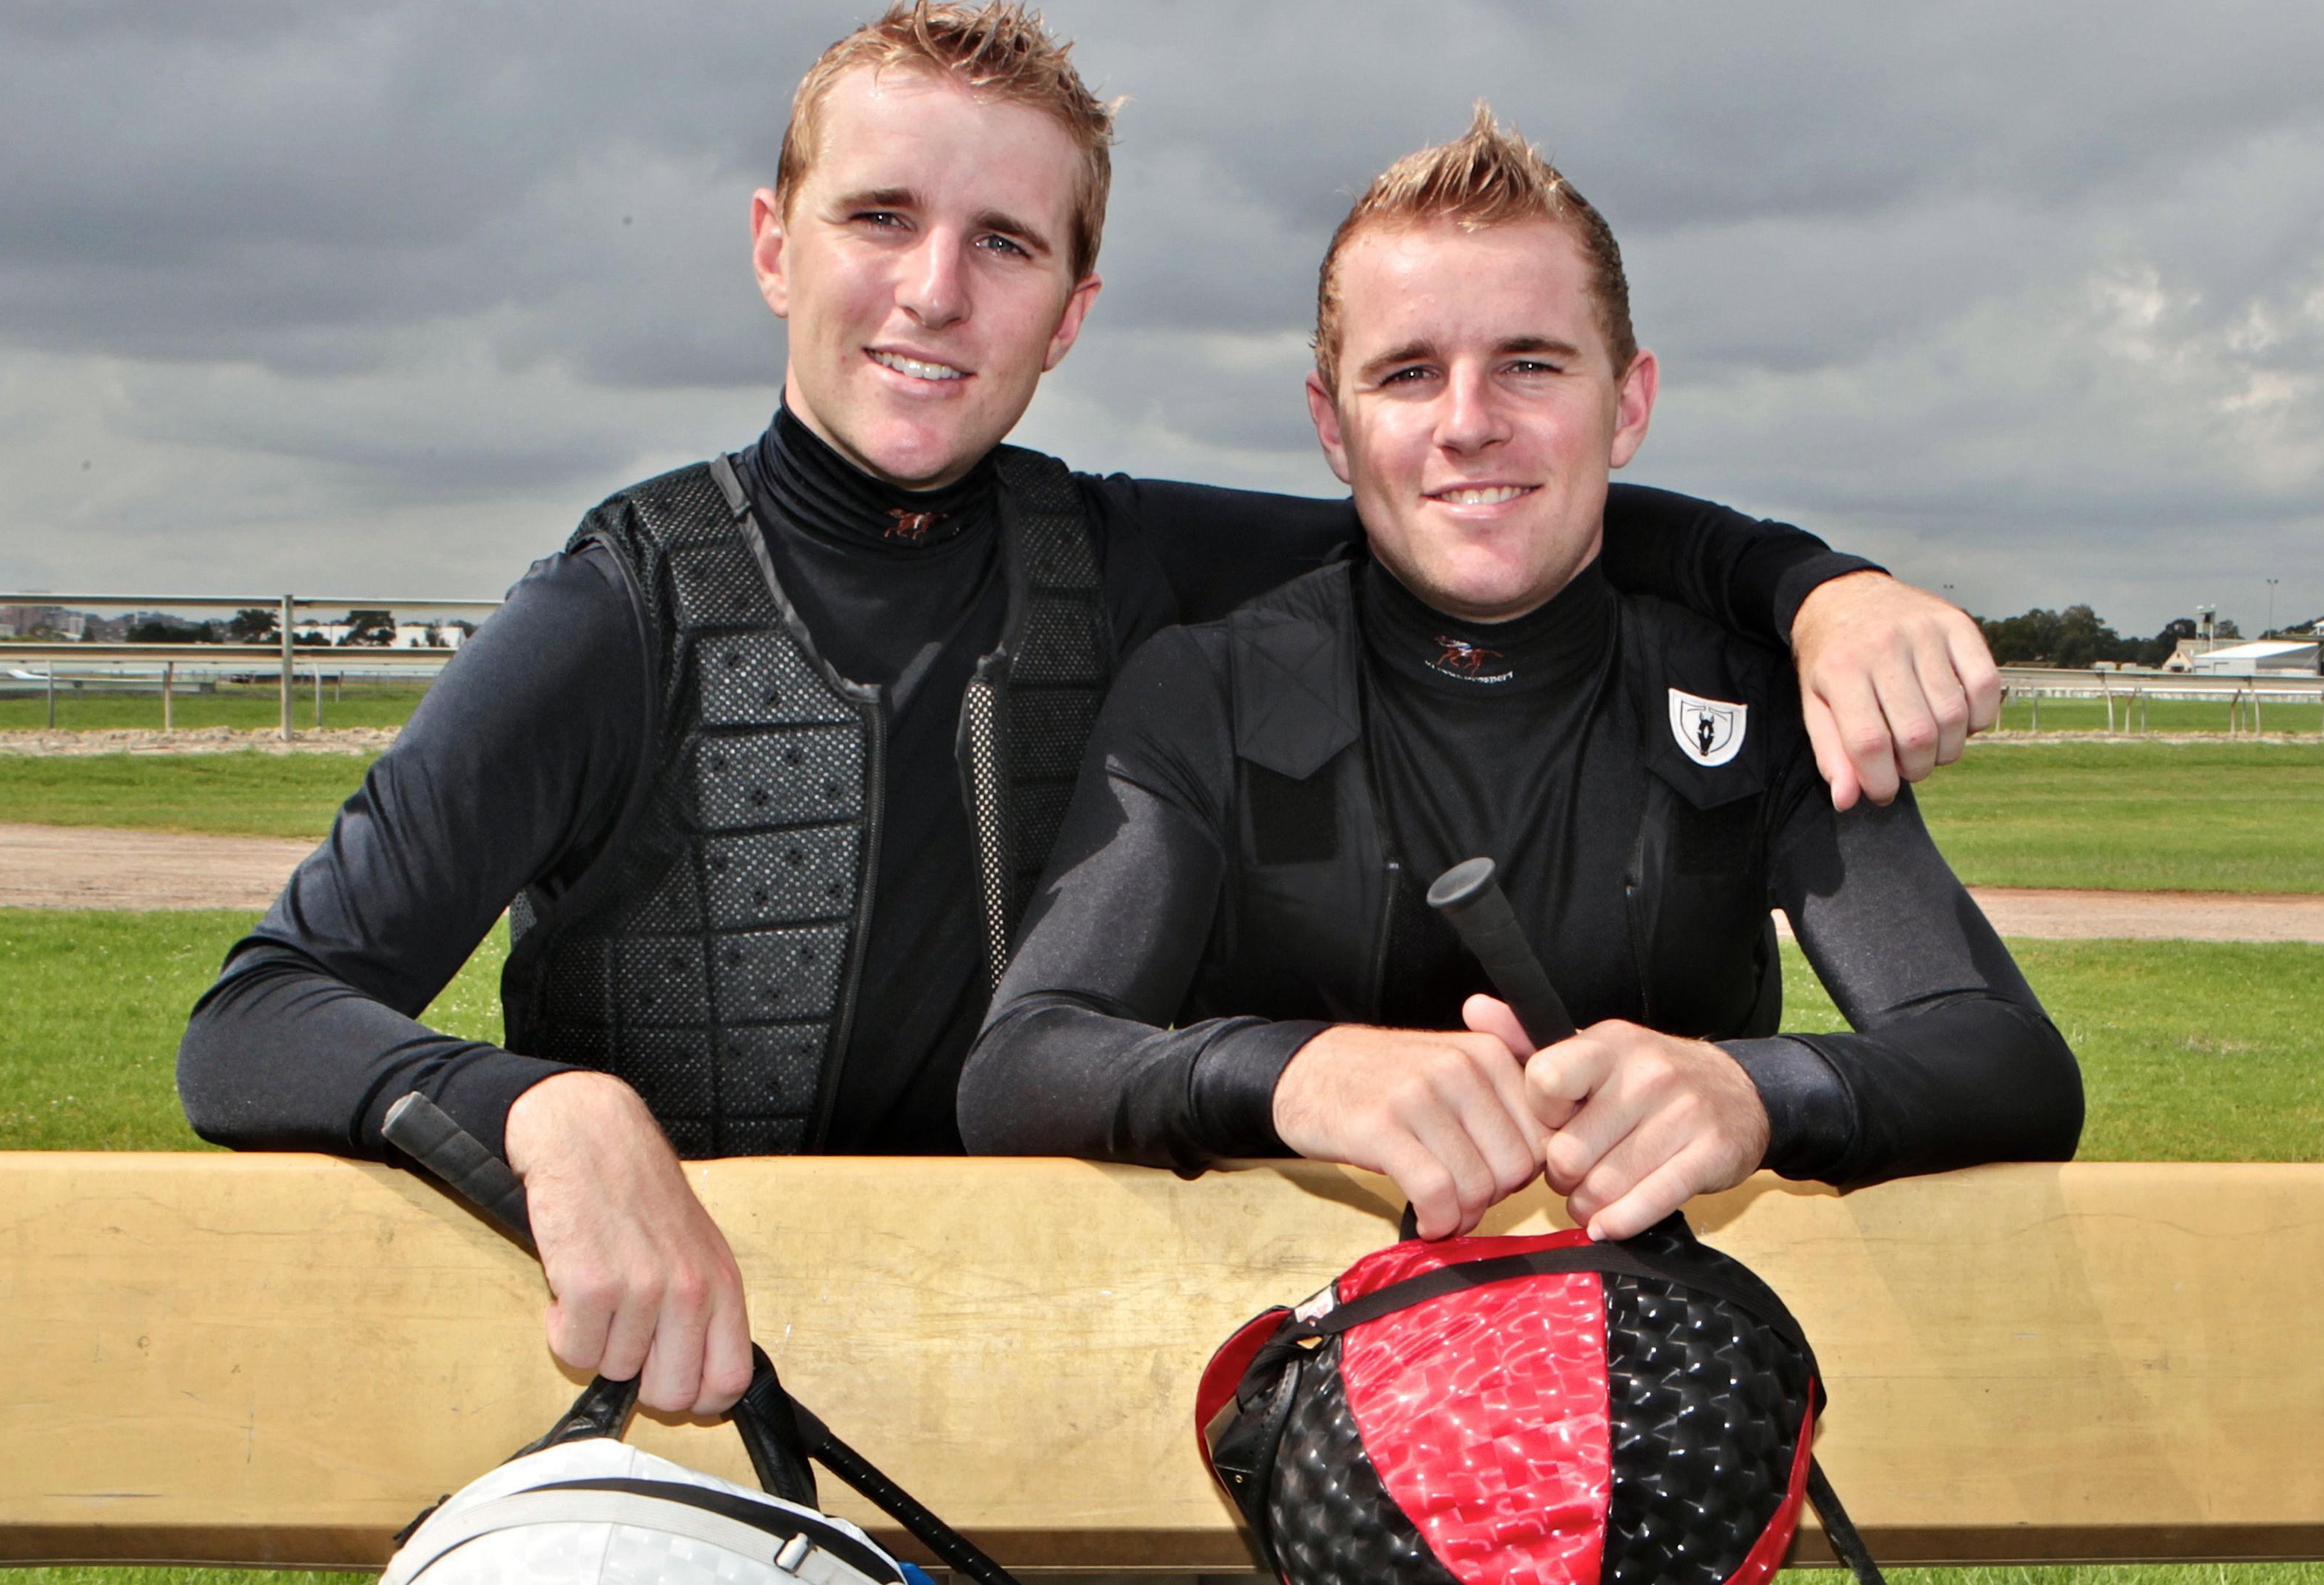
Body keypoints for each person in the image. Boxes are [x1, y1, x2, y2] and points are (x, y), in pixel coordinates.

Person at [178, 4, 2004, 1420]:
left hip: (1047, 1360)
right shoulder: (620, 608)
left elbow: (1504, 507)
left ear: (1071, 310)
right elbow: (256, 1018)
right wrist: (532, 1109)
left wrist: (1806, 587)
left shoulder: (1125, 557)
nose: (933, 290)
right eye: (879, 217)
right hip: (682, 1392)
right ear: (771, 243)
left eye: (1006, 243)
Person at [959, 108, 2083, 1241]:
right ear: (1333, 428)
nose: (1468, 423)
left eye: (1530, 364)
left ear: (1629, 402)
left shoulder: (1759, 699)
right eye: (1406, 374)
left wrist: (1752, 1090)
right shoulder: (1207, 688)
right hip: (1290, 1377)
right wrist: (1298, 1072)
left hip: (1671, 1375)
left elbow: (2011, 1060)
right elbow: (1021, 1064)